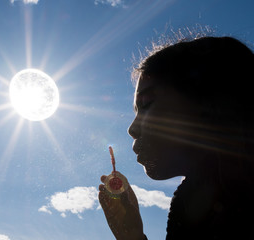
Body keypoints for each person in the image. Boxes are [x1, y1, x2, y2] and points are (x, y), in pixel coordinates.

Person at [98, 36, 254, 240]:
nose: (132, 129)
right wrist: (133, 235)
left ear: (208, 103)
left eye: (146, 104)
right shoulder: (196, 201)